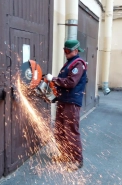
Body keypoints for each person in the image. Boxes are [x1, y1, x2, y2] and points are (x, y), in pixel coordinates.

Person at [46, 40, 87, 171]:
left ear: (76, 50)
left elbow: (70, 83)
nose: (66, 53)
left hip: (72, 102)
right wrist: (55, 94)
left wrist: (53, 79)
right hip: (63, 100)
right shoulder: (68, 64)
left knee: (70, 131)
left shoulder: (78, 64)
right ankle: (65, 155)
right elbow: (62, 84)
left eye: (68, 51)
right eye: (65, 50)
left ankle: (77, 160)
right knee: (60, 130)